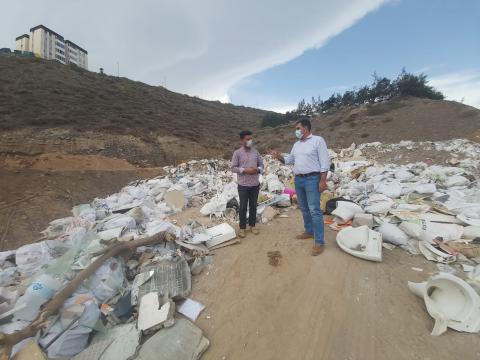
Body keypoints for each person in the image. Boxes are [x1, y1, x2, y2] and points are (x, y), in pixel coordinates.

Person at [271, 119, 330, 256]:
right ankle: (309, 231)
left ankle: (319, 242)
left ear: (305, 128)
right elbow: (289, 160)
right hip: (299, 180)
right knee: (303, 208)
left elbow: (325, 162)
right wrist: (279, 156)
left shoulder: (318, 140)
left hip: (312, 179)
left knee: (314, 210)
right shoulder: (296, 145)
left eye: (298, 128)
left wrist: (322, 181)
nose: (296, 131)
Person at [231, 130, 264, 238]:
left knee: (254, 206)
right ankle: (242, 228)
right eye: (247, 139)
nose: (250, 141)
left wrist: (257, 169)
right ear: (242, 140)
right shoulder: (237, 153)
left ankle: (252, 225)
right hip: (243, 185)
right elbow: (233, 168)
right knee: (243, 207)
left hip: (255, 184)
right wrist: (245, 170)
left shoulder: (256, 152)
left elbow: (262, 165)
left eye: (251, 139)